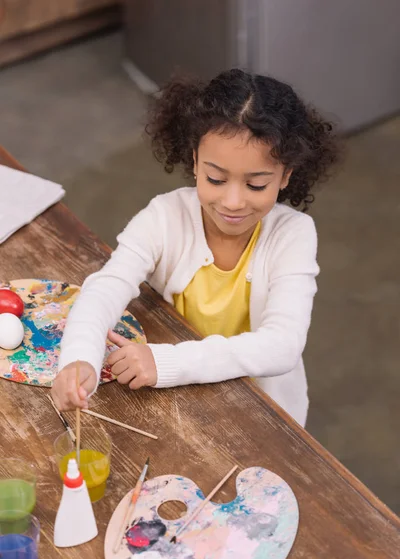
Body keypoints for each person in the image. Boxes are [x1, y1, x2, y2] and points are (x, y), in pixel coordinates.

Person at [52, 68, 340, 426]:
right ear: (194, 161)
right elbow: (106, 287)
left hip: (260, 414)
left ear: (285, 176)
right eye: (215, 179)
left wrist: (166, 362)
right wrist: (80, 357)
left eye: (256, 185)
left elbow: (282, 345)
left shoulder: (293, 234)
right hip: (177, 402)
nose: (233, 202)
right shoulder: (165, 216)